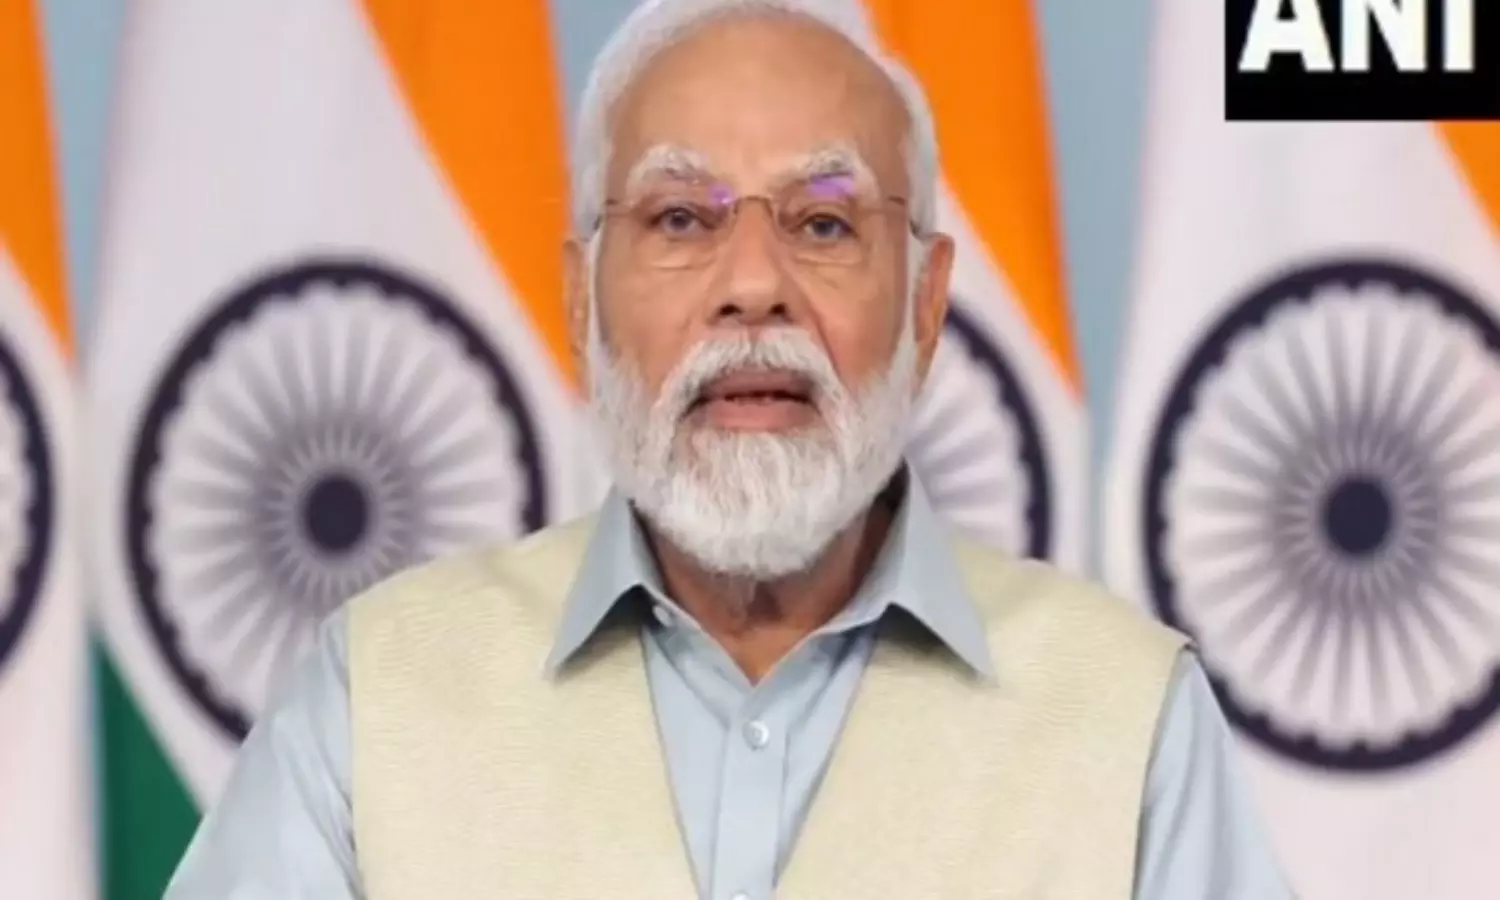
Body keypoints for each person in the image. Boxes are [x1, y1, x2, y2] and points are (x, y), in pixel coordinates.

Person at [164, 0, 1295, 897]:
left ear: (926, 300)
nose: (753, 285)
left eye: (823, 222)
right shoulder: (376, 696)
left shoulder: (1129, 719)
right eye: (680, 220)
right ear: (580, 300)